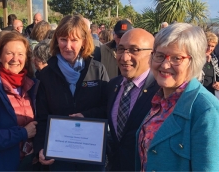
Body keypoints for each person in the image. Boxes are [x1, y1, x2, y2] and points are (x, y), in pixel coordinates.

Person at [136, 23, 219, 171]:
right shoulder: (160, 100)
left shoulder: (206, 110)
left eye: (176, 58)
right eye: (160, 55)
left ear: (194, 61)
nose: (165, 65)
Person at [34, 14, 109, 171]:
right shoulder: (46, 74)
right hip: (59, 157)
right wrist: (41, 147)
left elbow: (107, 108)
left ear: (83, 42)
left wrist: (86, 116)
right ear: (56, 40)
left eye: (74, 40)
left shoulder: (97, 70)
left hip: (91, 155)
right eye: (63, 39)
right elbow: (41, 117)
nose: (68, 45)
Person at [0, 31, 39, 171]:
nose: (15, 59)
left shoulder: (34, 87)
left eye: (20, 54)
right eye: (9, 53)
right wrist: (23, 133)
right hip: (0, 166)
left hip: (29, 165)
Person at [106, 28, 159, 171]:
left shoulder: (161, 91)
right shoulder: (112, 86)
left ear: (152, 54)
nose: (124, 57)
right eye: (121, 49)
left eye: (134, 50)